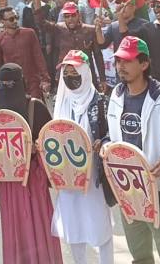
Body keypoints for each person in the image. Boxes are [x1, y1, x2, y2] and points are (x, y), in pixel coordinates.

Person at [101, 36, 160, 263]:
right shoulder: (116, 94)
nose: (121, 66)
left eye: (127, 61)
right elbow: (111, 134)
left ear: (144, 64)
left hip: (159, 188)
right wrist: (106, 146)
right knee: (139, 253)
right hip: (127, 186)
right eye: (118, 61)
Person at [0, 63, 63, 264]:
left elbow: (52, 143)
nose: (7, 88)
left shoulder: (35, 107)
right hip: (9, 185)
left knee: (39, 228)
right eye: (3, 84)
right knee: (16, 232)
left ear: (21, 83)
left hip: (34, 182)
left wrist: (38, 149)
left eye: (11, 84)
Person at [48, 51, 114, 264]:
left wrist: (103, 143)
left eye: (74, 72)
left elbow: (111, 134)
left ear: (85, 73)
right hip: (68, 176)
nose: (70, 77)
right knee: (73, 224)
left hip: (93, 177)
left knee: (100, 225)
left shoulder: (101, 102)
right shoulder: (61, 101)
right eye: (66, 73)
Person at [33, 0, 107, 92]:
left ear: (78, 15)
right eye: (67, 16)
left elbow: (98, 55)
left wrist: (103, 79)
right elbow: (41, 23)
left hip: (87, 76)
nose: (70, 19)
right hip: (65, 77)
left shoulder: (90, 30)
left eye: (73, 15)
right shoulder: (59, 29)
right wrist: (37, 1)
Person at [0, 7, 50, 99]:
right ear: (2, 21)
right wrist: (2, 83)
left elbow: (39, 57)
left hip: (33, 82)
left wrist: (45, 79)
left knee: (36, 106)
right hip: (12, 85)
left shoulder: (29, 33)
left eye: (16, 17)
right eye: (11, 19)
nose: (15, 21)